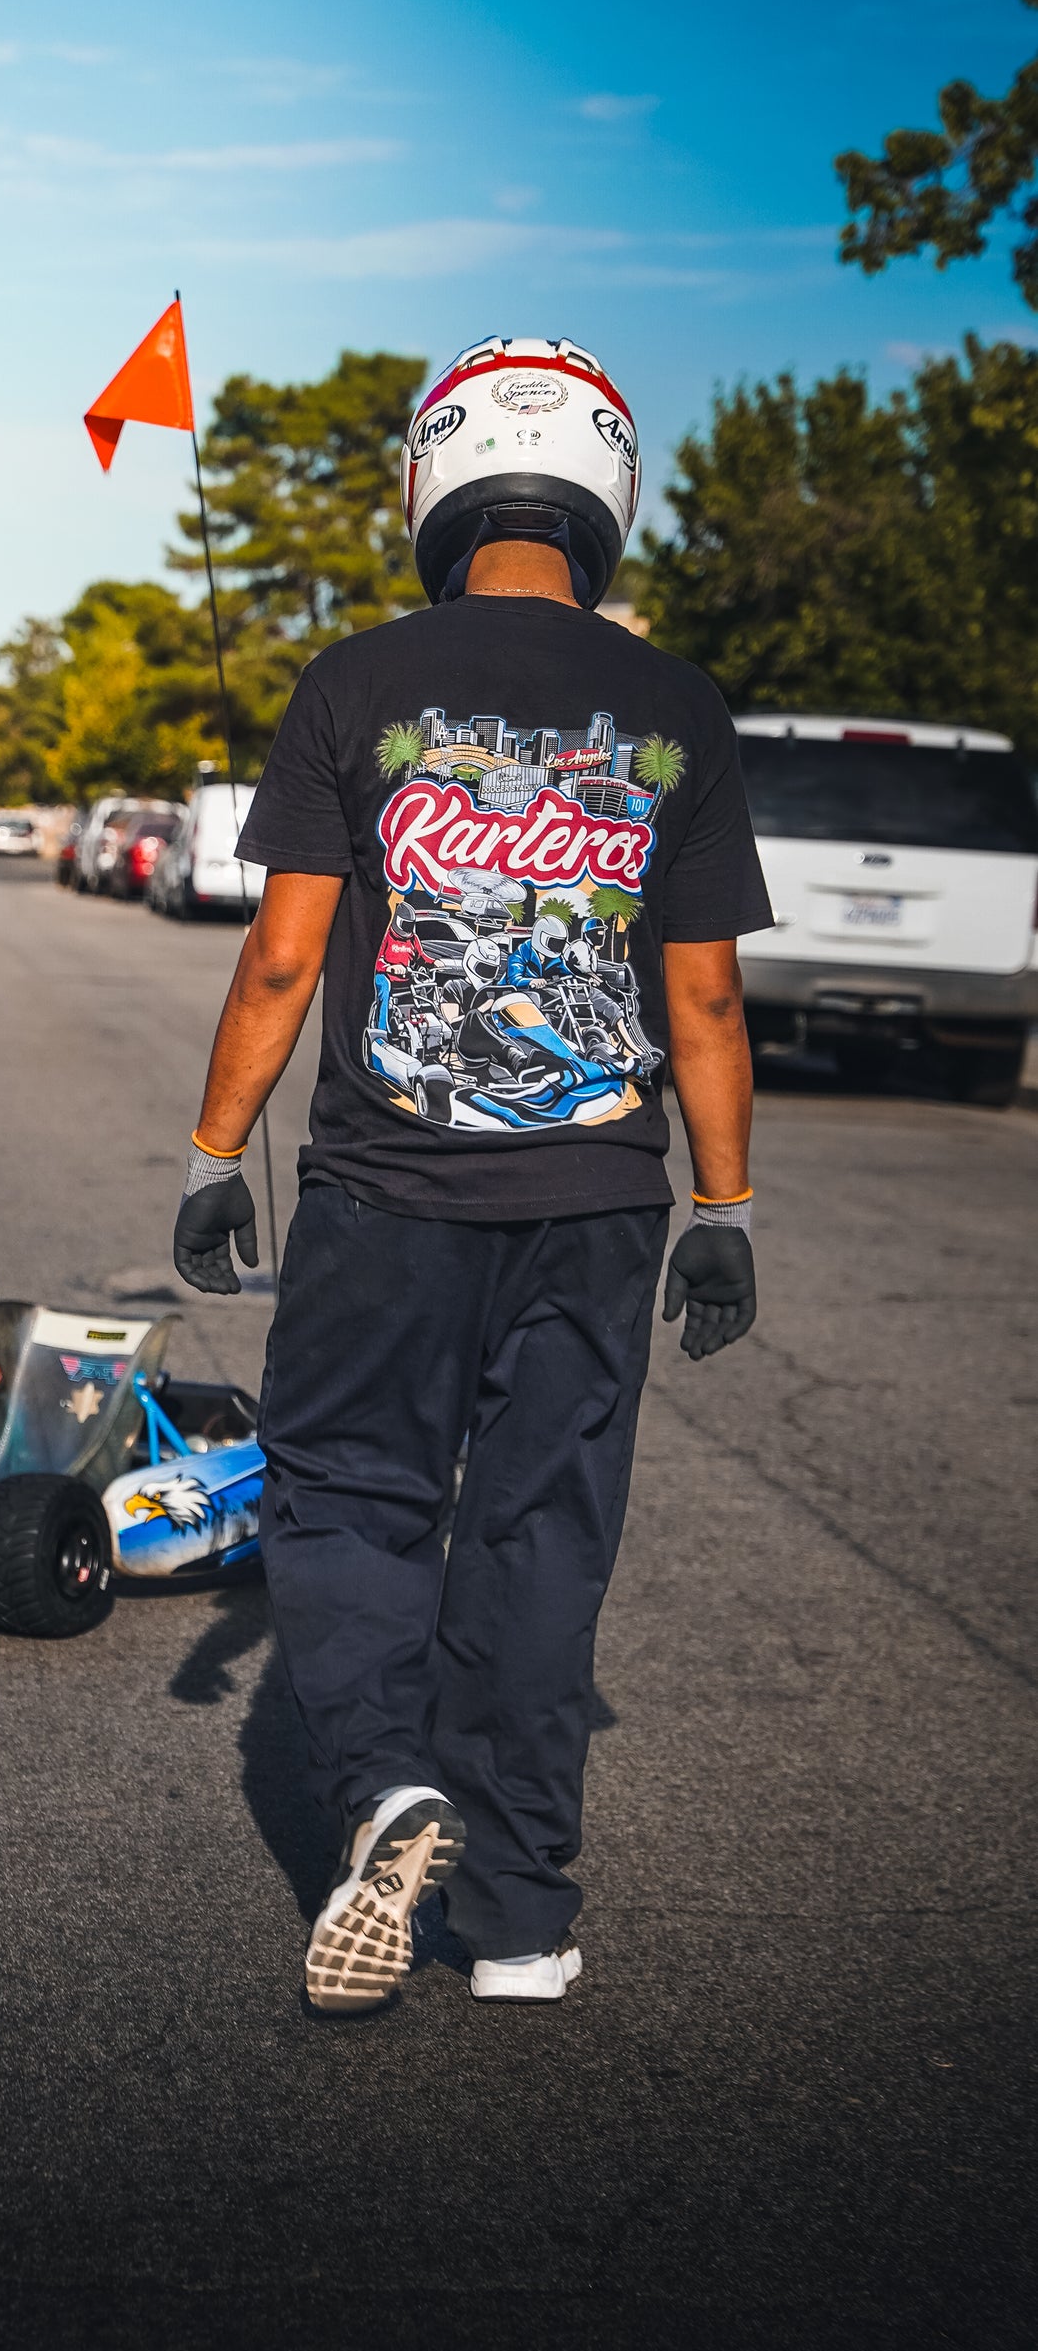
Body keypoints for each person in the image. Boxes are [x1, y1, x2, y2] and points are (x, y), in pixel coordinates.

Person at [173, 335, 767, 2013]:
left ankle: (383, 1782)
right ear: (607, 490)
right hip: (599, 1204)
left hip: (384, 1195)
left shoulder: (353, 682)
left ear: (435, 478)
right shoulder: (676, 708)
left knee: (345, 1492)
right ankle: (516, 1923)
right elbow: (705, 999)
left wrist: (215, 1154)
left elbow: (281, 960)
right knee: (539, 1534)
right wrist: (722, 1207)